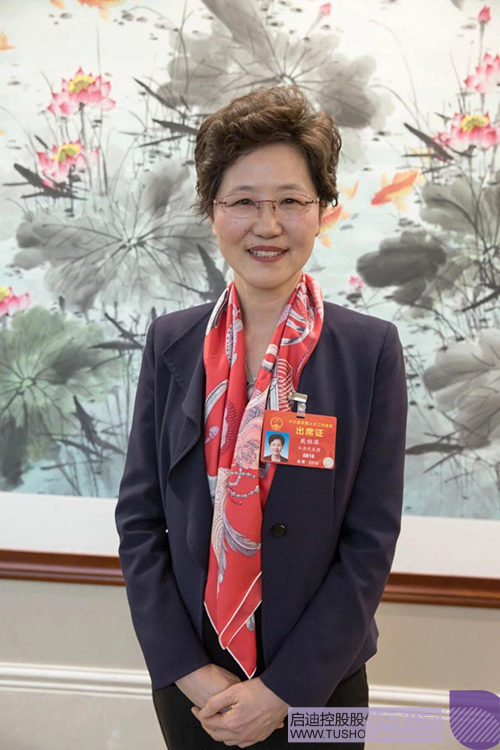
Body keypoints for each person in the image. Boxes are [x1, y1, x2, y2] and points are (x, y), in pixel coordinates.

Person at [115, 84, 408, 749]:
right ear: (212, 212)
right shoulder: (171, 343)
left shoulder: (368, 351)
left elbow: (370, 541)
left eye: (290, 201)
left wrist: (283, 692)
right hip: (196, 686)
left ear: (323, 211)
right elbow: (140, 521)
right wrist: (188, 671)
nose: (267, 224)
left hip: (323, 682)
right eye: (243, 201)